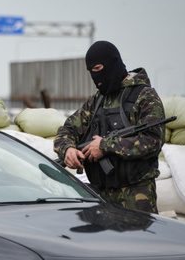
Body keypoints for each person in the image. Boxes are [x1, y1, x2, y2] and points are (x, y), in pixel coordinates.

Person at [54, 40, 165, 213]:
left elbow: (152, 141)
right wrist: (67, 150)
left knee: (138, 240)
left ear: (112, 64)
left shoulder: (144, 96)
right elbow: (66, 130)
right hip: (101, 197)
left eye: (98, 69)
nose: (95, 77)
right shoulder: (96, 101)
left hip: (136, 197)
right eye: (91, 72)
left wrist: (106, 146)